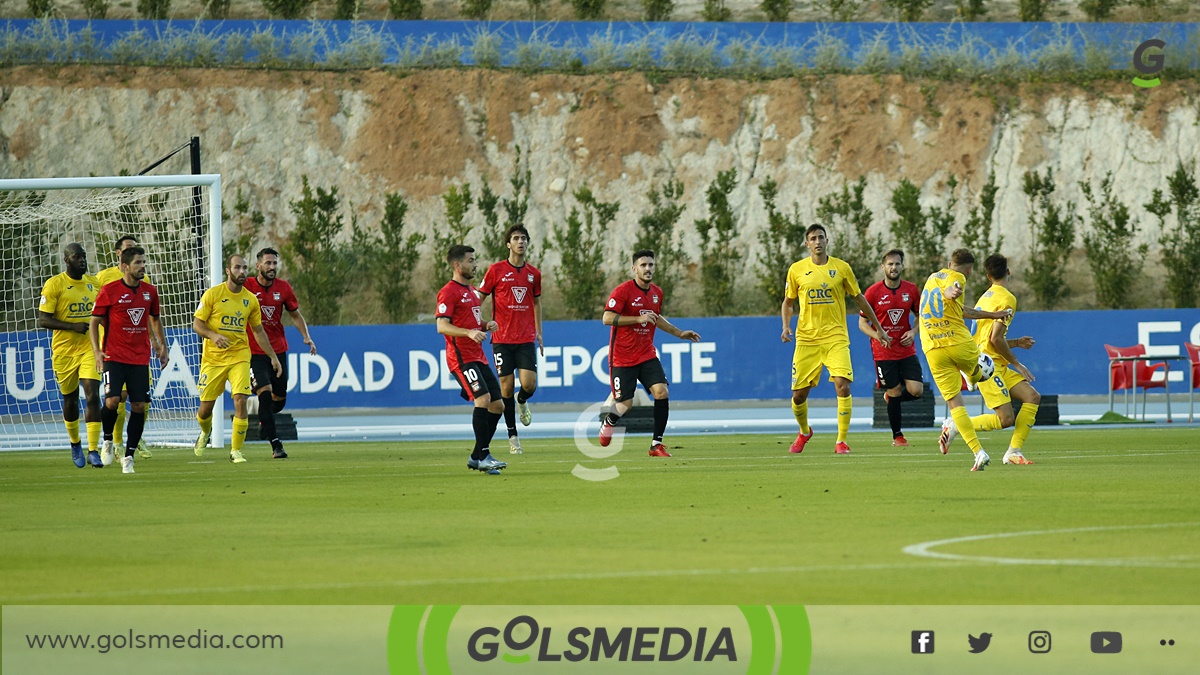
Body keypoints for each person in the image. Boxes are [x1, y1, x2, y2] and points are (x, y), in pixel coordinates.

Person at [782, 224, 891, 455]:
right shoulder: (796, 270)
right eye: (813, 238)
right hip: (807, 340)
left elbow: (859, 298)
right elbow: (788, 302)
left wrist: (879, 327)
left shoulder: (841, 268)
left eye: (821, 237)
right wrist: (785, 327)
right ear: (807, 244)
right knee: (798, 395)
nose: (818, 241)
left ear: (827, 240)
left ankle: (841, 441)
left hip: (836, 337)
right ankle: (804, 432)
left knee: (843, 385)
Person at [597, 249, 701, 457]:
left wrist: (679, 333)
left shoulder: (656, 293)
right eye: (643, 265)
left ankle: (656, 444)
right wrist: (637, 320)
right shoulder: (623, 291)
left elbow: (656, 317)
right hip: (622, 357)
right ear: (634, 268)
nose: (648, 269)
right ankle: (610, 421)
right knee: (624, 404)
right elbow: (607, 318)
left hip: (646, 354)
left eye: (651, 265)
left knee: (662, 392)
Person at [919, 248, 1013, 471]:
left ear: (950, 263)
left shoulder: (932, 278)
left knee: (954, 403)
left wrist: (992, 315)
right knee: (985, 369)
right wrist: (954, 290)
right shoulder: (958, 277)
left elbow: (961, 309)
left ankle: (978, 453)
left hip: (932, 346)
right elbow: (954, 287)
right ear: (969, 269)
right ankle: (971, 375)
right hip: (957, 342)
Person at [940, 253, 1039, 465]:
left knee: (1032, 397)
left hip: (992, 361)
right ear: (1008, 272)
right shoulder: (1007, 298)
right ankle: (956, 424)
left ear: (988, 276)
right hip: (988, 365)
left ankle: (1014, 451)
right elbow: (994, 338)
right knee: (1006, 419)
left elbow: (989, 337)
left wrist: (1016, 342)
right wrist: (1017, 363)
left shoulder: (985, 297)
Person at [191, 255, 281, 464]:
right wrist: (213, 336)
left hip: (239, 355)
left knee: (241, 399)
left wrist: (273, 356)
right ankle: (206, 431)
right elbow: (197, 324)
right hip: (213, 359)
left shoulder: (250, 300)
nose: (242, 272)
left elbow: (258, 331)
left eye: (244, 268)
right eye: (237, 268)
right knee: (205, 409)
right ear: (228, 270)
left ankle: (236, 451)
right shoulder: (213, 294)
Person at [89, 246, 168, 474]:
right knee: (112, 401)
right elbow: (94, 322)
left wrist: (161, 346)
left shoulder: (150, 291)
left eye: (143, 262)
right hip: (113, 356)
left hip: (139, 358)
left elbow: (155, 318)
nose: (142, 266)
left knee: (139, 405)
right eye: (137, 263)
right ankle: (106, 441)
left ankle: (129, 457)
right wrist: (97, 352)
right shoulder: (109, 291)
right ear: (125, 266)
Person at [436, 245, 508, 474]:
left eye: (475, 260)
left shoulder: (472, 292)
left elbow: (473, 321)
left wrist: (486, 325)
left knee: (498, 405)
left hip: (478, 356)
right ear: (457, 265)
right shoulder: (448, 292)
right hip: (461, 358)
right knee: (483, 398)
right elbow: (441, 325)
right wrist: (468, 333)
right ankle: (484, 455)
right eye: (470, 260)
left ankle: (477, 456)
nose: (475, 264)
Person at [243, 247, 317, 459]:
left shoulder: (283, 288)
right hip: (254, 350)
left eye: (275, 263)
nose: (272, 267)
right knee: (265, 395)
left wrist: (306, 336)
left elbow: (295, 315)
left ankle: (262, 418)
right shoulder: (247, 286)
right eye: (268, 263)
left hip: (278, 349)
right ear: (258, 265)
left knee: (279, 400)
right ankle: (276, 445)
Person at [478, 225, 543, 455]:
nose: (520, 242)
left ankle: (522, 400)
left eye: (524, 238)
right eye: (516, 238)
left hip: (525, 338)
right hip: (502, 339)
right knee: (505, 387)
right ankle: (513, 436)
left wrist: (539, 332)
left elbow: (536, 302)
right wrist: (479, 322)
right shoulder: (496, 270)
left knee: (528, 385)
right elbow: (479, 297)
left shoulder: (533, 274)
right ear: (508, 244)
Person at [38, 243, 103, 468]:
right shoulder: (54, 285)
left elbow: (105, 313)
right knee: (71, 399)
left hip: (90, 349)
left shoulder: (94, 283)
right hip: (64, 351)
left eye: (84, 257)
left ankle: (94, 450)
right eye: (77, 257)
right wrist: (72, 326)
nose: (82, 260)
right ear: (66, 260)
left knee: (93, 395)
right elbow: (44, 320)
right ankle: (75, 443)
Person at [857, 249, 924, 447]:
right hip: (883, 352)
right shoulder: (873, 292)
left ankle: (891, 399)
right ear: (883, 267)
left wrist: (913, 332)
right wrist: (879, 335)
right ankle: (898, 437)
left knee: (916, 391)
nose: (893, 267)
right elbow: (862, 324)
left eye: (897, 264)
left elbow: (921, 317)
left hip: (906, 350)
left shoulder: (911, 290)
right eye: (890, 264)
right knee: (894, 391)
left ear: (902, 266)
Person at [96, 235, 153, 460]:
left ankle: (135, 441)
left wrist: (157, 342)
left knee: (139, 401)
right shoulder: (104, 279)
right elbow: (97, 312)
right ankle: (113, 441)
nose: (136, 255)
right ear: (120, 255)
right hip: (113, 348)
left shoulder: (144, 281)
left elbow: (147, 316)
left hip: (138, 350)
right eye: (129, 250)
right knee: (115, 398)